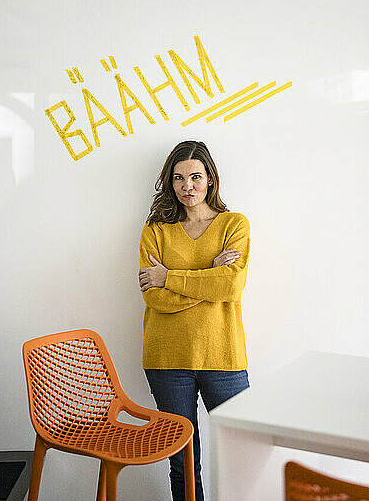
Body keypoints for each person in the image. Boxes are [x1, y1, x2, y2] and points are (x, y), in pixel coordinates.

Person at [138, 140, 251, 501]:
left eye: (196, 177)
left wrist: (169, 275)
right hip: (167, 360)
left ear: (210, 179)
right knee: (183, 461)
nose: (188, 186)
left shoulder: (234, 225)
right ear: (170, 183)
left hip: (223, 357)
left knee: (242, 454)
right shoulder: (155, 229)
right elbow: (152, 296)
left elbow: (231, 285)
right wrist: (208, 274)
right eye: (179, 178)